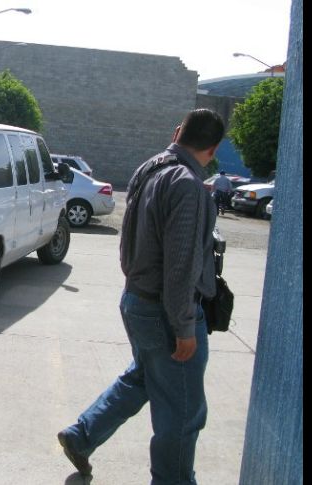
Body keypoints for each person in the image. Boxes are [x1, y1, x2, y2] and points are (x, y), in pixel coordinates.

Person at [57, 108, 224, 483]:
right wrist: (183, 326)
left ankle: (82, 436)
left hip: (138, 300)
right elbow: (181, 266)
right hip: (168, 312)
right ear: (213, 150)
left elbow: (129, 244)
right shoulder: (187, 185)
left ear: (177, 132)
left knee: (143, 378)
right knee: (183, 412)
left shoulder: (148, 169)